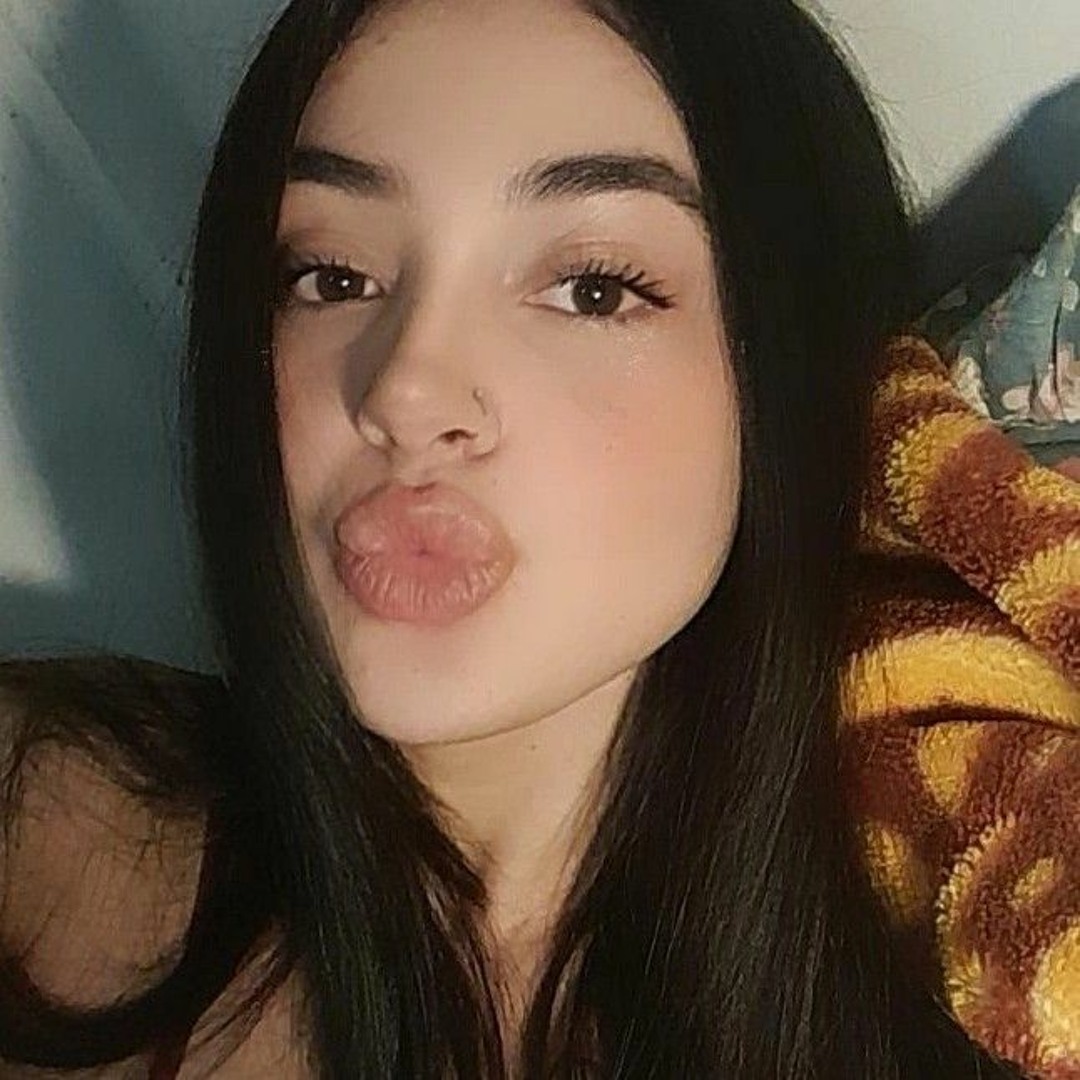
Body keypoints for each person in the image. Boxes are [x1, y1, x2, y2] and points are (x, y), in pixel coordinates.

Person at [0, 0, 1075, 1076]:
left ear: (787, 380)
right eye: (332, 276)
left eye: (592, 290)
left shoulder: (996, 999)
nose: (406, 390)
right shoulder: (44, 829)